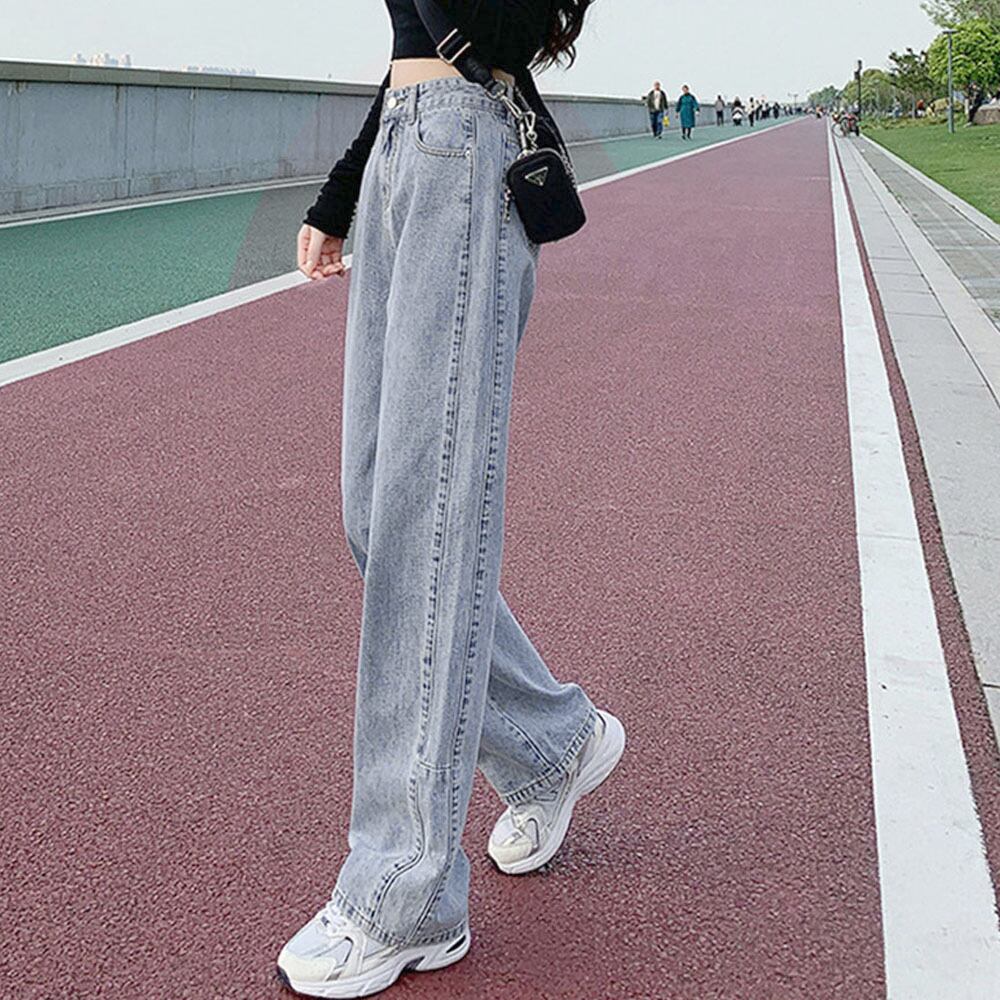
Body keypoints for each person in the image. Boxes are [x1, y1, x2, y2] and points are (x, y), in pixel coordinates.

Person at [286, 1, 626, 997]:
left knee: (425, 520)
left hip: (463, 156)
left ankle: (406, 893)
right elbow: (415, 39)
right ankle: (549, 742)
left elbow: (501, 30)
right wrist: (342, 191)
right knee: (375, 514)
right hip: (405, 147)